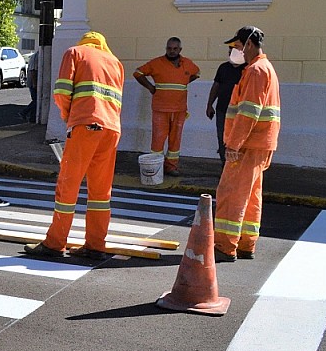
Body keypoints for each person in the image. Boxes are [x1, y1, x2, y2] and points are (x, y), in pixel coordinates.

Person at [24, 31, 124, 260]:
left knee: (68, 186)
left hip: (85, 126)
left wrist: (70, 117)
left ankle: (55, 243)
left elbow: (61, 92)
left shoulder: (75, 53)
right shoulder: (116, 63)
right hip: (111, 130)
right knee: (100, 191)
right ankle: (96, 245)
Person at [213, 26, 280, 262]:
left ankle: (224, 245)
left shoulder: (255, 71)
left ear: (248, 44)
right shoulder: (263, 69)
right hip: (259, 143)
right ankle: (245, 244)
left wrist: (233, 145)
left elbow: (248, 113)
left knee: (230, 193)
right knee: (251, 196)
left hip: (247, 144)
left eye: (237, 46)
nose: (235, 50)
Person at [133, 37, 200, 175]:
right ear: (166, 49)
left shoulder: (187, 63)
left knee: (175, 140)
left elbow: (197, 73)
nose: (172, 51)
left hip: (179, 109)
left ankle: (171, 167)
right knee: (158, 140)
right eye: (169, 48)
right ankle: (156, 167)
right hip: (160, 109)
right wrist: (150, 87)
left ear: (180, 50)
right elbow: (138, 73)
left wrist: (183, 83)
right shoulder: (157, 63)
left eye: (175, 48)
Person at [204, 38, 246, 165]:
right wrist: (209, 105)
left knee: (238, 142)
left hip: (239, 114)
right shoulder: (223, 68)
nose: (230, 53)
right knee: (222, 140)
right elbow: (216, 86)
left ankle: (237, 170)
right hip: (222, 110)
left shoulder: (248, 69)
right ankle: (224, 167)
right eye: (229, 51)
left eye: (233, 50)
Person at [20, 50, 39, 123]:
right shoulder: (37, 56)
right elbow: (33, 70)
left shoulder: (35, 56)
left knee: (36, 101)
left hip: (32, 82)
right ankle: (24, 112)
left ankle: (32, 118)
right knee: (36, 100)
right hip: (33, 82)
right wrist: (35, 84)